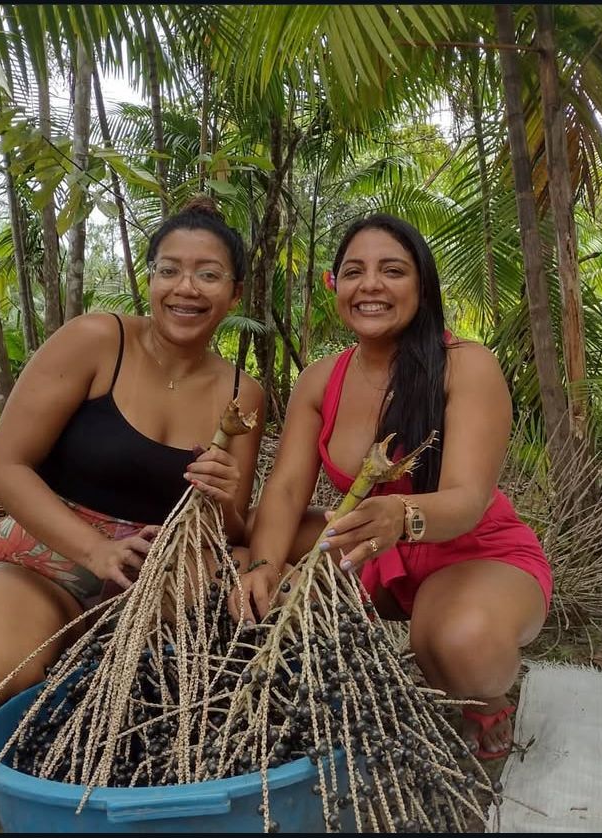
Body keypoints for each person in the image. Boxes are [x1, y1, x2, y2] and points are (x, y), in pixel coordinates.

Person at [0, 198, 264, 745]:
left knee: (185, 710)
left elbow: (233, 533)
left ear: (236, 293)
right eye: (169, 270)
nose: (186, 288)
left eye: (209, 274)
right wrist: (94, 550)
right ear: (149, 279)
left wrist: (221, 500)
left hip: (157, 580)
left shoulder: (243, 392)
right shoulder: (99, 341)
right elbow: (4, 467)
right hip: (47, 557)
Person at [233, 214, 551, 761]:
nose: (371, 285)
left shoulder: (465, 366)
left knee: (455, 640)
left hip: (472, 551)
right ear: (335, 287)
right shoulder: (319, 379)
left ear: (422, 286)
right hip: (371, 547)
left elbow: (468, 499)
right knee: (245, 552)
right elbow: (285, 494)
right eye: (354, 272)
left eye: (392, 271)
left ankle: (486, 699)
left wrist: (401, 516)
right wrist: (264, 567)